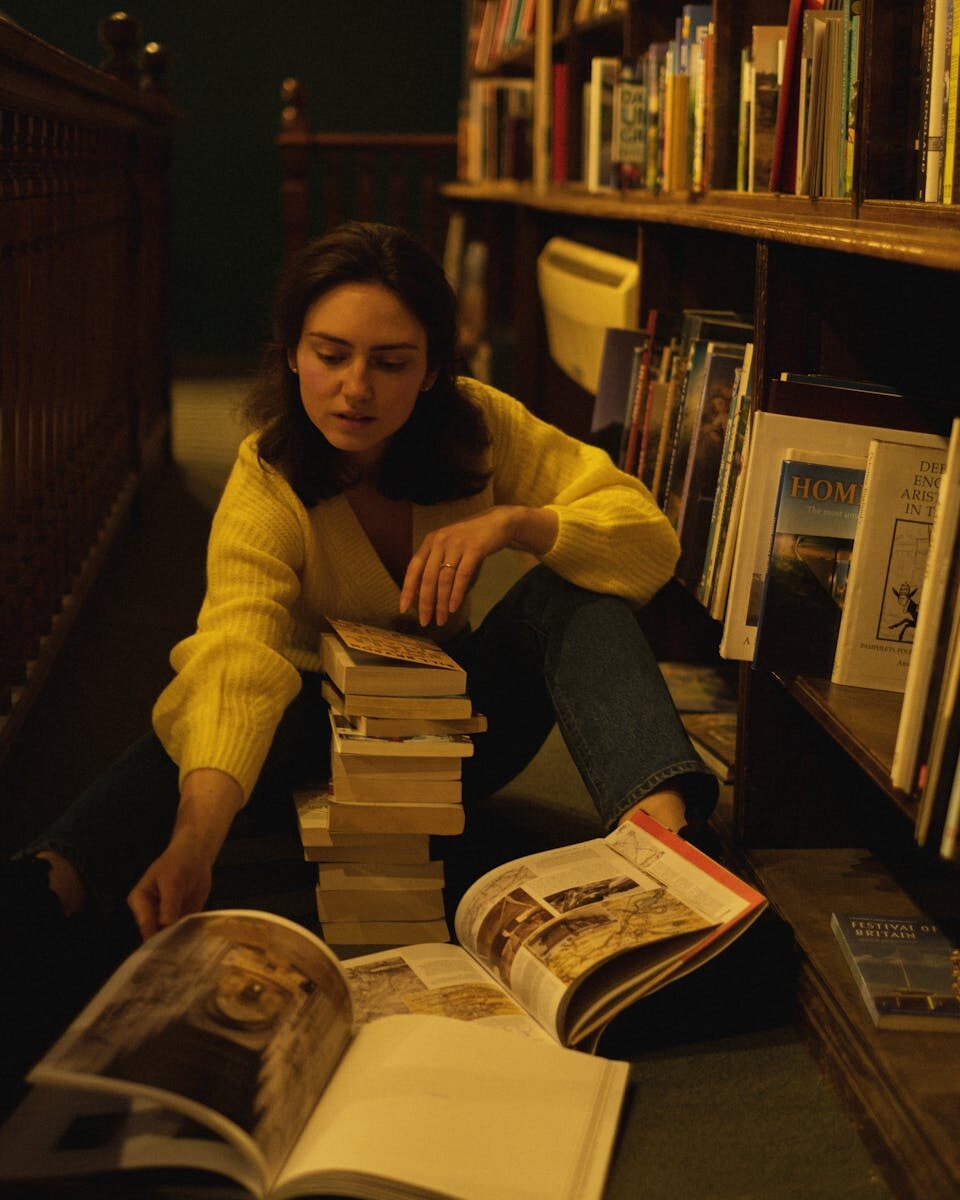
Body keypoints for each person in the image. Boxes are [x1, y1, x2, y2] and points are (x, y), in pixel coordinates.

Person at [7, 221, 717, 1060]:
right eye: (330, 353)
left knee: (575, 592)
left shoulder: (480, 426)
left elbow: (647, 540)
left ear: (431, 371)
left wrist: (517, 524)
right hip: (311, 744)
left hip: (452, 733)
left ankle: (663, 850)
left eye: (391, 362)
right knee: (198, 713)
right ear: (291, 355)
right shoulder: (267, 475)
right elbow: (239, 653)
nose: (355, 388)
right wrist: (196, 841)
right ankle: (46, 890)